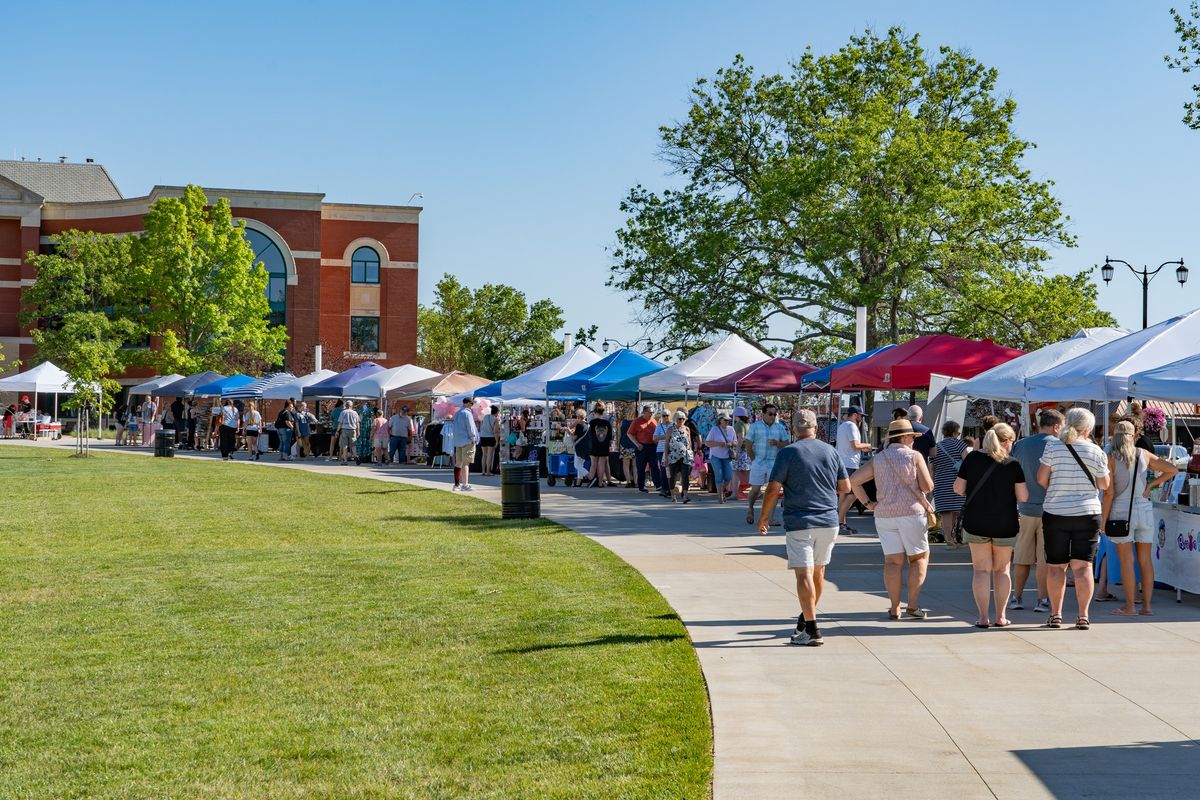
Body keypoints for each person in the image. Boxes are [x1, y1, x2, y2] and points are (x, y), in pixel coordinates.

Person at [757, 409, 850, 647]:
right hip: (829, 521)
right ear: (816, 428)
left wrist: (764, 517)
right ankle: (805, 618)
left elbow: (773, 488)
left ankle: (811, 629)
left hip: (800, 521)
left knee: (803, 574)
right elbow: (845, 487)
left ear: (794, 430)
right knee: (818, 573)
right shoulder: (831, 451)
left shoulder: (788, 452)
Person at [850, 419, 936, 620]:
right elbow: (927, 487)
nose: (913, 442)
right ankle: (913, 606)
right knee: (918, 558)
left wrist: (868, 504)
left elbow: (854, 480)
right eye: (912, 438)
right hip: (911, 514)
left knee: (892, 562)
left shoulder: (879, 458)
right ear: (905, 438)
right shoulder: (914, 456)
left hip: (884, 515)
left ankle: (894, 607)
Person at [1037, 408, 1110, 631]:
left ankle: (1055, 614)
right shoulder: (1096, 451)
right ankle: (1082, 616)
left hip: (1056, 513)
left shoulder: (1053, 446)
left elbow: (1041, 478)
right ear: (1087, 428)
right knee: (1083, 567)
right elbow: (1104, 484)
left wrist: (1056, 490)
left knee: (1056, 567)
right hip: (1087, 514)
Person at [954, 422, 1027, 628]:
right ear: (1006, 441)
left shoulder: (972, 458)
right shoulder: (1013, 464)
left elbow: (958, 488)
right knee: (1002, 570)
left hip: (976, 521)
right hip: (1005, 522)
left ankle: (983, 617)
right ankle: (1001, 617)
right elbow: (1023, 496)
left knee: (981, 570)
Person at [1101, 420, 1177, 617]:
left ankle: (1130, 606)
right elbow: (1172, 469)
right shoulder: (1143, 454)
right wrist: (1151, 486)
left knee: (1126, 560)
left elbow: (1109, 494)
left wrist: (1103, 520)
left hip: (1121, 510)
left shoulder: (1110, 457)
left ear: (1115, 435)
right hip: (1144, 509)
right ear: (1133, 435)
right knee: (1145, 560)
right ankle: (1147, 607)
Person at [1009, 409, 1064, 613]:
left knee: (1021, 557)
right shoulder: (1058, 445)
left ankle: (1017, 596)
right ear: (1056, 426)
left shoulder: (1021, 445)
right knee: (1044, 559)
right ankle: (1042, 599)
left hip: (1024, 508)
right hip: (1050, 508)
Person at [744, 404, 790, 525]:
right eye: (770, 414)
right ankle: (750, 508)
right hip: (758, 462)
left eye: (775, 414)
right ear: (763, 414)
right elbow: (748, 442)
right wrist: (753, 458)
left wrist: (778, 443)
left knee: (773, 490)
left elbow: (786, 443)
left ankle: (770, 518)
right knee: (755, 490)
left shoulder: (779, 427)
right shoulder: (755, 426)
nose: (773, 416)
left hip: (774, 463)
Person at [931, 420, 970, 548]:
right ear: (954, 432)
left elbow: (932, 467)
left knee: (945, 512)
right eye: (958, 433)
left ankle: (949, 539)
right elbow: (968, 462)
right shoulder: (960, 445)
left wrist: (932, 484)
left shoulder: (936, 446)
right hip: (957, 483)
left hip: (941, 483)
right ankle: (956, 537)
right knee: (958, 511)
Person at [835, 406, 872, 534]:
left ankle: (841, 523)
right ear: (855, 415)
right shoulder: (852, 426)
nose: (862, 419)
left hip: (842, 464)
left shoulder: (842, 426)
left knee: (843, 495)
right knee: (854, 494)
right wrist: (867, 446)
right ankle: (840, 522)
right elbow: (855, 445)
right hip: (850, 464)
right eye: (861, 416)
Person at [705, 412, 737, 503]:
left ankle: (722, 492)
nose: (727, 422)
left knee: (728, 476)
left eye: (728, 420)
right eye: (725, 420)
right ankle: (720, 497)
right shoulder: (714, 429)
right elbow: (707, 443)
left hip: (727, 456)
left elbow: (736, 442)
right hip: (715, 456)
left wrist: (731, 444)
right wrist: (719, 444)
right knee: (719, 476)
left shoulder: (731, 429)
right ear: (720, 420)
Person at [628, 405, 660, 493]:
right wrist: (637, 444)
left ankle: (658, 485)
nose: (651, 414)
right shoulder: (637, 421)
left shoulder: (654, 421)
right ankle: (641, 486)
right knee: (641, 467)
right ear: (644, 412)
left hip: (652, 446)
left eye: (652, 412)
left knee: (654, 466)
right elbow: (629, 434)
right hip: (641, 447)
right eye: (650, 412)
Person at [664, 410, 694, 503]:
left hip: (685, 456)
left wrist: (691, 453)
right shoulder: (670, 429)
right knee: (672, 477)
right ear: (675, 419)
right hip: (673, 456)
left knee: (685, 476)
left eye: (683, 418)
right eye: (679, 419)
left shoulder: (687, 429)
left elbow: (689, 443)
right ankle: (673, 495)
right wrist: (665, 457)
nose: (681, 420)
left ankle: (685, 496)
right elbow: (667, 444)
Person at [451, 397, 480, 491]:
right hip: (467, 440)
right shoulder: (467, 413)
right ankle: (465, 485)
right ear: (468, 403)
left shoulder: (457, 413)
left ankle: (456, 484)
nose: (472, 406)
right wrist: (473, 437)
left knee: (458, 463)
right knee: (466, 463)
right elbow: (470, 426)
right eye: (471, 404)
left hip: (458, 440)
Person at [587, 402, 614, 488]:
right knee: (601, 464)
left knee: (593, 464)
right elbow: (610, 436)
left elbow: (589, 435)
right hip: (604, 445)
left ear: (594, 413)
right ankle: (600, 483)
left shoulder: (591, 423)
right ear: (603, 413)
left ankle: (591, 480)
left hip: (594, 444)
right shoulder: (607, 423)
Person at [731, 407, 752, 502]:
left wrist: (737, 451)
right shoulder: (747, 424)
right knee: (747, 472)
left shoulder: (738, 424)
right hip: (748, 450)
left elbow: (740, 438)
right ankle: (756, 490)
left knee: (735, 472)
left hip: (741, 450)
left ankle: (735, 493)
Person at [653, 410, 672, 496]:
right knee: (663, 470)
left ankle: (670, 488)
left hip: (671, 450)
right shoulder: (659, 426)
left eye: (667, 415)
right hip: (661, 450)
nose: (665, 417)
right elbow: (654, 437)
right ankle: (664, 489)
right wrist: (666, 436)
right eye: (663, 416)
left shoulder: (673, 425)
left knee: (671, 470)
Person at [336, 400, 360, 465]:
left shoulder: (343, 412)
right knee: (353, 445)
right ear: (351, 405)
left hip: (344, 429)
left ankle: (345, 461)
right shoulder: (355, 413)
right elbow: (357, 423)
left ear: (346, 405)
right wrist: (358, 431)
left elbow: (340, 423)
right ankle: (355, 456)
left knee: (345, 445)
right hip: (353, 430)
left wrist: (337, 431)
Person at [570, 408, 590, 484]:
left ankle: (590, 476)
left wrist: (569, 432)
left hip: (579, 447)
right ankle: (578, 483)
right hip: (586, 447)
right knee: (580, 465)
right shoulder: (587, 425)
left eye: (577, 417)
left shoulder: (579, 425)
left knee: (576, 465)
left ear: (578, 417)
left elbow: (574, 438)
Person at [479, 406, 500, 475]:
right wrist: (497, 441)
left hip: (482, 436)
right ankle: (488, 471)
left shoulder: (485, 417)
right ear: (497, 412)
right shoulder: (496, 419)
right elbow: (495, 431)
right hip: (490, 437)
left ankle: (483, 471)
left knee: (484, 454)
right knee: (489, 455)